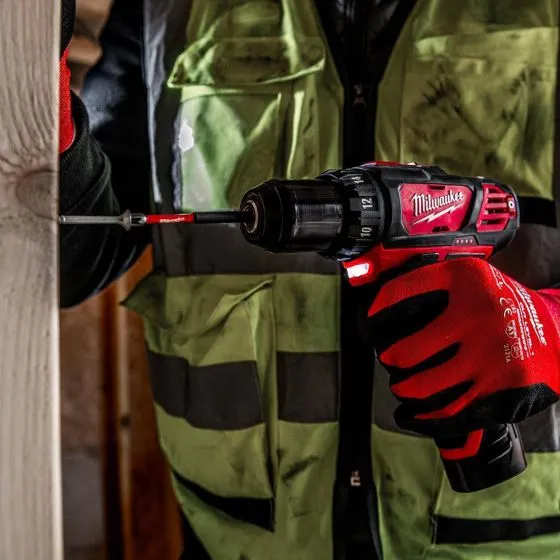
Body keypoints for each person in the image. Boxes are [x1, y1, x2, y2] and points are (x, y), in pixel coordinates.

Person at [59, 0, 560, 558]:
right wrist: (42, 93)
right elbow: (72, 257)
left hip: (504, 544)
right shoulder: (165, 8)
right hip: (238, 535)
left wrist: (551, 330)